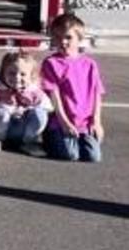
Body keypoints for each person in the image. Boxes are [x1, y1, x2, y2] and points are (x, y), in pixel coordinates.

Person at [41, 13, 105, 163]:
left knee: (93, 157)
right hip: (61, 121)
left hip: (85, 122)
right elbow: (53, 95)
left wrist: (96, 121)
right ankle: (50, 138)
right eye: (57, 37)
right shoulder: (51, 63)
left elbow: (97, 94)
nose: (63, 42)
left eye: (68, 37)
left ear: (79, 39)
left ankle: (77, 139)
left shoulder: (89, 64)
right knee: (71, 155)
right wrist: (64, 123)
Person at [0, 51, 50, 156]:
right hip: (3, 127)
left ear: (31, 75)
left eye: (23, 74)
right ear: (3, 73)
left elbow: (48, 106)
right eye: (11, 73)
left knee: (40, 113)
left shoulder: (34, 91)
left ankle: (29, 142)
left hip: (24, 127)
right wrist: (0, 105)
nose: (17, 78)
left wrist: (27, 109)